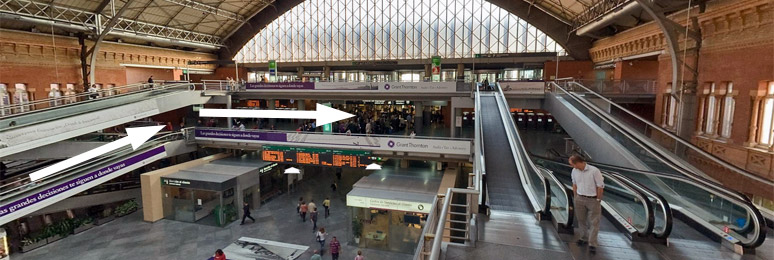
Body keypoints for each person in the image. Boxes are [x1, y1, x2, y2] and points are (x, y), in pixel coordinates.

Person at [569, 155, 604, 253]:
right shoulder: (574, 171)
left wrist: (598, 199)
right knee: (581, 220)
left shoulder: (594, 171)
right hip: (580, 198)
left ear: (578, 162)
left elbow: (600, 186)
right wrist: (575, 196)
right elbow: (574, 184)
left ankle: (592, 244)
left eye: (572, 164)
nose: (572, 166)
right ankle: (583, 238)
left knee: (594, 222)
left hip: (592, 200)